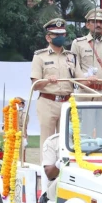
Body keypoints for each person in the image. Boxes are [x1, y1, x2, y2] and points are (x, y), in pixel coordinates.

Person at [30, 18, 83, 162]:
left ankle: (63, 170)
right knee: (47, 139)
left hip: (67, 102)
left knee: (65, 140)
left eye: (62, 34)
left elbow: (80, 78)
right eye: (56, 35)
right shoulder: (40, 56)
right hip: (48, 101)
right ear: (48, 37)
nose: (60, 37)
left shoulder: (71, 57)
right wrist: (47, 80)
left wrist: (91, 79)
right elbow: (35, 84)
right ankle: (46, 170)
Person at [71, 8, 102, 139]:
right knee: (84, 134)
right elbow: (74, 67)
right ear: (87, 24)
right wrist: (84, 80)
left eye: (101, 22)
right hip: (86, 93)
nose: (98, 24)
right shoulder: (78, 43)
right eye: (94, 21)